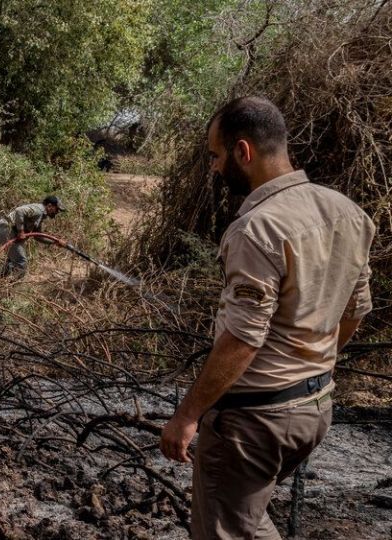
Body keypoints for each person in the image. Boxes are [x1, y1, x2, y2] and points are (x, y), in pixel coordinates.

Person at [159, 97, 374, 539]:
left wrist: (187, 415)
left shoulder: (256, 229)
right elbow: (354, 312)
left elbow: (243, 338)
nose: (215, 169)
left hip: (253, 421)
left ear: (244, 151)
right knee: (249, 519)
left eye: (217, 156)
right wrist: (312, 365)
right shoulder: (347, 213)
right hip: (315, 408)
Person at [0, 195, 65, 278]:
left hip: (6, 230)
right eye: (56, 209)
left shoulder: (40, 215)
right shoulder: (38, 210)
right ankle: (7, 285)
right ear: (49, 206)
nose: (57, 212)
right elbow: (19, 211)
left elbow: (38, 236)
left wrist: (55, 242)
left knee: (11, 262)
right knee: (21, 262)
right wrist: (21, 231)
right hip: (7, 230)